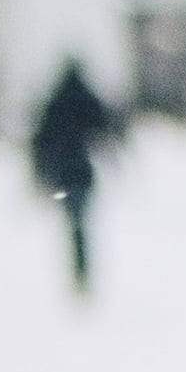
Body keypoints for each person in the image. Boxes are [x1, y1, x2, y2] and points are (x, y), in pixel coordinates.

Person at [27, 57, 119, 295]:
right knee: (80, 223)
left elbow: (40, 141)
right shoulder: (85, 99)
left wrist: (40, 173)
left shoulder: (54, 102)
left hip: (63, 175)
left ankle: (78, 270)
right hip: (82, 173)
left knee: (73, 223)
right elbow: (104, 130)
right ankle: (82, 270)